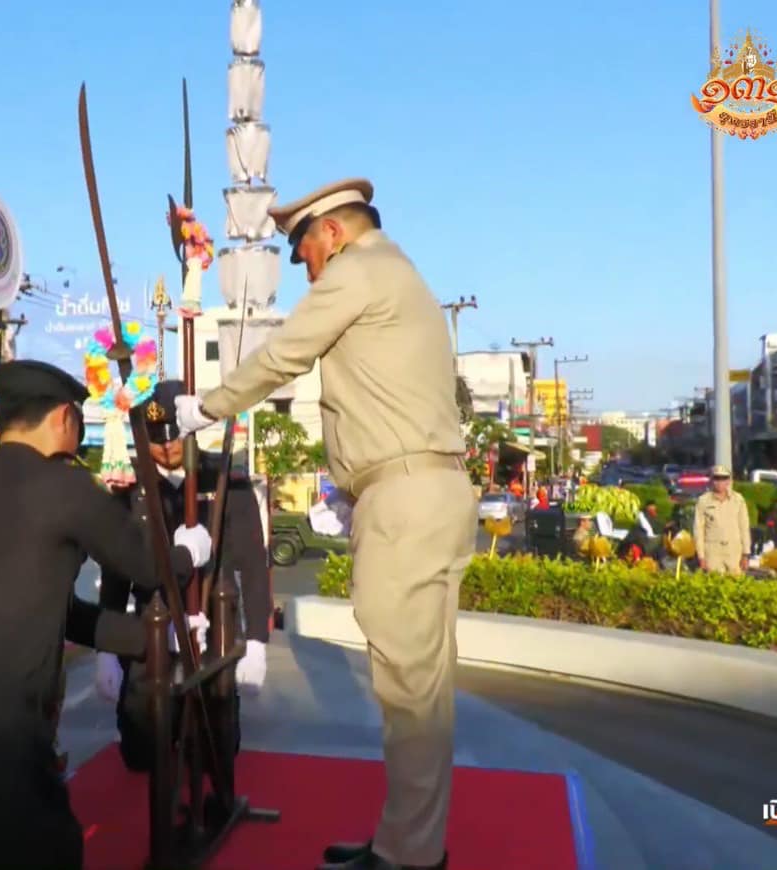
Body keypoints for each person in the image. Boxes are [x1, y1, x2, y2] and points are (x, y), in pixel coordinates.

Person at [174, 178, 473, 870]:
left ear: (333, 234)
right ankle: (408, 842)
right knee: (419, 690)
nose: (305, 266)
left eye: (303, 248)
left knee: (409, 695)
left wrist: (203, 409)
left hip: (407, 500)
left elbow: (285, 354)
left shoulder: (359, 270)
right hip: (418, 492)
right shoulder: (399, 274)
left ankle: (411, 858)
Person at [0, 359, 213, 869]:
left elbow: (58, 613)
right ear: (65, 417)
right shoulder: (63, 487)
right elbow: (150, 568)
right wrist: (189, 553)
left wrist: (152, 639)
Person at [94, 379, 272, 772]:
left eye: (175, 437)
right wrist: (106, 650)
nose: (168, 447)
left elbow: (254, 568)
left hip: (214, 630)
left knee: (215, 755)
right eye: (157, 439)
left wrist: (257, 639)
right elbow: (116, 575)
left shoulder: (228, 483)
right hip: (150, 634)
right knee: (142, 757)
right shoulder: (131, 490)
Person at [693, 465, 751, 575]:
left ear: (729, 481)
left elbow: (744, 527)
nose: (720, 482)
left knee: (736, 584)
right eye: (716, 478)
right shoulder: (703, 501)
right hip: (712, 551)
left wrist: (746, 554)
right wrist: (701, 556)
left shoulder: (738, 500)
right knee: (714, 584)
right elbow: (698, 530)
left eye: (723, 478)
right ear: (711, 480)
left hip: (734, 550)